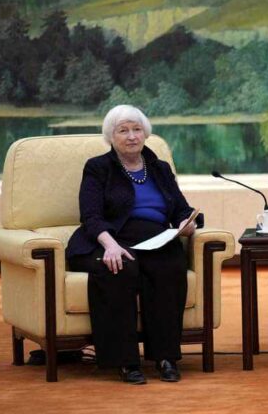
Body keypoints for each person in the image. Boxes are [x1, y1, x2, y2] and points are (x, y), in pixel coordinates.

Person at [65, 104, 203, 384]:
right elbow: (91, 216)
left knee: (170, 266)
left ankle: (166, 357)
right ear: (111, 136)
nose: (131, 136)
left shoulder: (160, 168)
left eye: (137, 129)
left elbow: (181, 208)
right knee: (119, 268)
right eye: (123, 130)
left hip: (155, 239)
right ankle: (125, 361)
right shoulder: (98, 168)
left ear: (145, 133)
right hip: (112, 238)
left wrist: (187, 225)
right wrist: (110, 246)